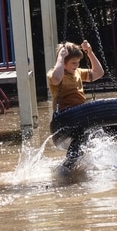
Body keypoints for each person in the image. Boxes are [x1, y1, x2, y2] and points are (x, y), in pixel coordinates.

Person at [47, 40, 104, 170]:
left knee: (91, 133)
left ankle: (79, 164)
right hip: (66, 115)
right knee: (80, 134)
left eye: (78, 62)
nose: (76, 65)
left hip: (80, 113)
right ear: (63, 62)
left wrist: (89, 52)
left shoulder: (78, 72)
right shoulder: (54, 73)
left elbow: (99, 73)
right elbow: (56, 79)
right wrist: (60, 57)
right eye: (73, 62)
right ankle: (68, 165)